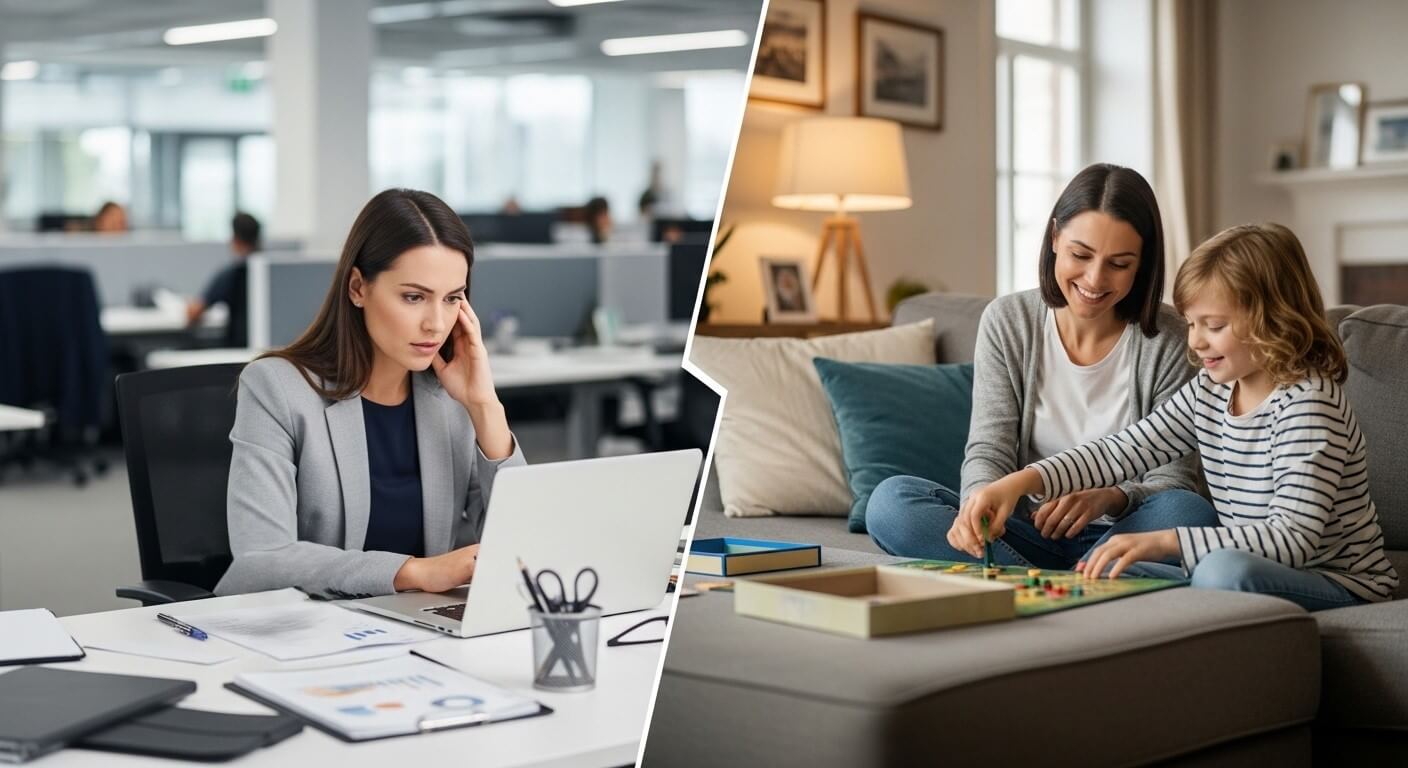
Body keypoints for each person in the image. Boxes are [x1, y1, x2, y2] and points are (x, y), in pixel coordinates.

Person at [960, 223, 1397, 610]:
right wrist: (1019, 482)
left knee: (1219, 572)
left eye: (1214, 325)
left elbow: (1292, 539)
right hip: (1239, 565)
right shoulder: (1212, 389)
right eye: (1191, 324)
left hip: (1336, 581)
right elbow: (1123, 452)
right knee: (1105, 575)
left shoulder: (1307, 403)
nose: (1197, 342)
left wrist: (1165, 541)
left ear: (1273, 320)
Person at [866, 163, 1210, 569]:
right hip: (1026, 532)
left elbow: (1174, 481)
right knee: (890, 503)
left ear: (1142, 263)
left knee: (1187, 512)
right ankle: (1059, 583)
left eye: (1119, 264)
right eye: (1080, 254)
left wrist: (1112, 497)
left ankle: (1031, 581)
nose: (1095, 279)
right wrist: (979, 508)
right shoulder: (1009, 321)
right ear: (1054, 238)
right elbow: (988, 447)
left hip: (1125, 533)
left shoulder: (1171, 339)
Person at [215, 189, 525, 597]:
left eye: (452, 299)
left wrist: (484, 406)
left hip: (422, 634)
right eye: (414, 297)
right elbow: (261, 558)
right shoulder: (277, 390)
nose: (435, 323)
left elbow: (522, 543)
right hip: (314, 638)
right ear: (358, 287)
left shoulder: (451, 400)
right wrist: (410, 572)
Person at [188, 212, 260, 347]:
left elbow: (193, 313)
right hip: (268, 350)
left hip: (237, 349)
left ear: (234, 239)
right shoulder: (272, 273)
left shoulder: (232, 273)